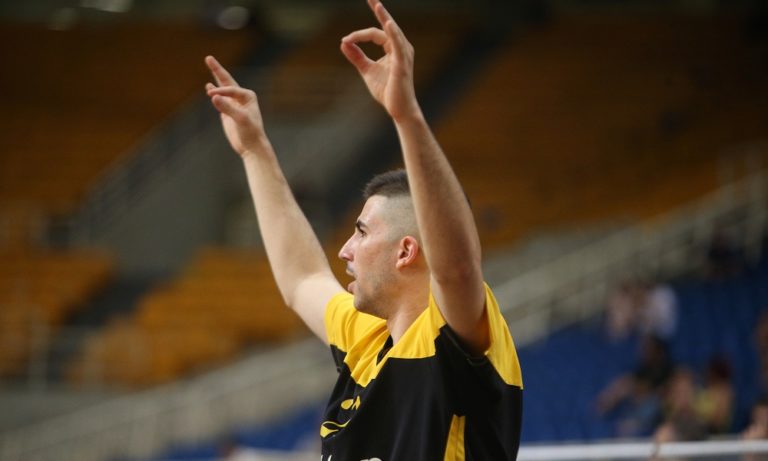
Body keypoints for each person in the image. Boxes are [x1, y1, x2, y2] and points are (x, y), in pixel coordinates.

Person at [203, 0, 523, 459]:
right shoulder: (367, 339)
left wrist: (407, 116)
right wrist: (255, 151)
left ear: (406, 251)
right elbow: (301, 279)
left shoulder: (448, 334)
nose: (344, 251)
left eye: (362, 232)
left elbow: (455, 267)